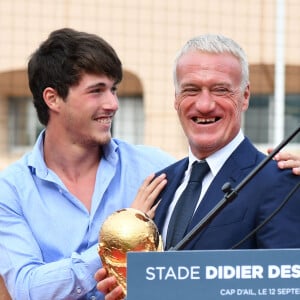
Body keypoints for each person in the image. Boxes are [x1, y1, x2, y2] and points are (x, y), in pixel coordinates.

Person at [95, 33, 300, 299]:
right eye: (191, 90)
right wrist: (130, 287)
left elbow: (284, 291)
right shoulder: (160, 184)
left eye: (220, 90)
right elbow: (155, 287)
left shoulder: (280, 181)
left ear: (245, 96)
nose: (204, 104)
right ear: (176, 99)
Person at [0, 28, 175, 300]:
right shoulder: (10, 190)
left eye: (113, 89)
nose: (113, 103)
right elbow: (28, 289)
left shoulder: (154, 167)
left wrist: (265, 173)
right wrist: (122, 236)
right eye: (97, 91)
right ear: (53, 98)